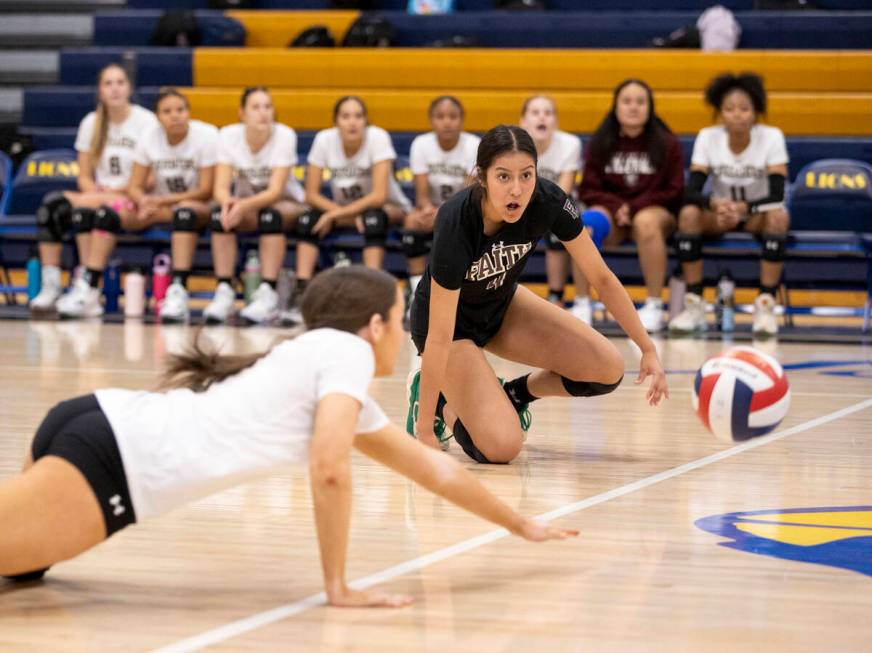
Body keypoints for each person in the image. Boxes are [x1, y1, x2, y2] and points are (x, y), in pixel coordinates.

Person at [0, 266, 577, 605]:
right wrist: (338, 586)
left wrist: (520, 524)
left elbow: (435, 470)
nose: (401, 337)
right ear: (372, 326)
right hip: (111, 461)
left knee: (17, 580)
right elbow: (329, 469)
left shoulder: (322, 364)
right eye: (399, 321)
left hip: (96, 425)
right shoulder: (345, 352)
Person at [407, 125, 669, 464]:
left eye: (526, 175)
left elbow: (601, 279)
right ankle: (441, 403)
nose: (517, 189)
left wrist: (647, 348)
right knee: (503, 447)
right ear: (482, 177)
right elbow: (440, 335)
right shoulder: (456, 220)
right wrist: (425, 430)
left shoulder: (548, 200)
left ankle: (516, 394)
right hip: (447, 328)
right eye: (503, 177)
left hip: (500, 307)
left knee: (607, 368)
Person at [56, 88, 218, 322]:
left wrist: (158, 200)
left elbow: (205, 191)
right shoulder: (149, 136)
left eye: (180, 110)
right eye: (167, 111)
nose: (175, 116)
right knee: (107, 215)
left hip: (197, 206)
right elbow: (134, 185)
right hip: (158, 208)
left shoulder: (206, 135)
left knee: (184, 213)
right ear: (158, 116)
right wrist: (142, 200)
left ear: (188, 113)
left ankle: (179, 290)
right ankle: (89, 289)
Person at [31, 63, 158, 315]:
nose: (115, 89)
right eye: (108, 83)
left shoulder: (146, 121)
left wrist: (116, 192)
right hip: (99, 195)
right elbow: (85, 176)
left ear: (130, 88)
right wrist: (96, 193)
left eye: (120, 82)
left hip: (131, 196)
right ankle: (52, 284)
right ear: (100, 91)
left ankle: (88, 288)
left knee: (97, 212)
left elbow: (151, 179)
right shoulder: (91, 122)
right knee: (51, 206)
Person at [669, 73, 790, 337]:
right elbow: (691, 192)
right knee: (689, 214)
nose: (737, 115)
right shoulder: (708, 137)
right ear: (720, 112)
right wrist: (713, 204)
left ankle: (766, 306)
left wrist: (744, 208)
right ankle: (695, 304)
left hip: (756, 214)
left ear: (756, 110)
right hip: (721, 215)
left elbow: (777, 195)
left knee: (778, 217)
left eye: (744, 108)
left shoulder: (771, 137)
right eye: (729, 109)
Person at [291, 96, 411, 322]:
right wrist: (340, 211)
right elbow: (311, 194)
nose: (352, 122)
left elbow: (379, 196)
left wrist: (336, 214)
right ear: (336, 122)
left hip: (388, 207)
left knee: (373, 220)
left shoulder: (378, 138)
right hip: (345, 209)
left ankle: (374, 295)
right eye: (345, 116)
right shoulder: (324, 140)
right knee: (308, 221)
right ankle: (302, 291)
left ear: (366, 121)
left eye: (358, 116)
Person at [578, 79, 685, 333]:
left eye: (640, 101)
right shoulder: (601, 142)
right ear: (615, 107)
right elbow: (588, 189)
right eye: (627, 101)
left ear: (650, 107)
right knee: (587, 223)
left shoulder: (667, 143)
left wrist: (634, 208)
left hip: (655, 213)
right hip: (614, 215)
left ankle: (654, 304)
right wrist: (618, 208)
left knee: (645, 222)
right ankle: (582, 303)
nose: (633, 107)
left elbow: (675, 190)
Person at [205, 86, 307, 325]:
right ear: (242, 113)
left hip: (286, 204)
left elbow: (275, 191)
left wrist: (243, 205)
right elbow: (220, 187)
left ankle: (268, 292)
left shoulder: (284, 135)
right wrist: (228, 203)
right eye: (256, 107)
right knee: (222, 217)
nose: (263, 113)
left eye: (268, 107)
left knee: (270, 216)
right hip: (248, 206)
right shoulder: (228, 135)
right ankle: (224, 291)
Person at [405, 96, 479, 309]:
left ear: (462, 120)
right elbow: (421, 196)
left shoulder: (473, 145)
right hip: (432, 210)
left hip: (464, 211)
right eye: (440, 116)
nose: (447, 122)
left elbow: (469, 195)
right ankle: (416, 290)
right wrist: (428, 211)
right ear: (431, 120)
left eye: (453, 116)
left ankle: (462, 291)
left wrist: (444, 214)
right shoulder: (421, 144)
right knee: (412, 221)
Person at [518, 96, 587, 321]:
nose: (542, 117)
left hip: (556, 205)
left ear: (555, 122)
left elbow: (563, 190)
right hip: (519, 203)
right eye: (535, 112)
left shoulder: (570, 144)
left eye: (548, 113)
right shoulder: (514, 145)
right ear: (523, 121)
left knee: (558, 222)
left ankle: (556, 296)